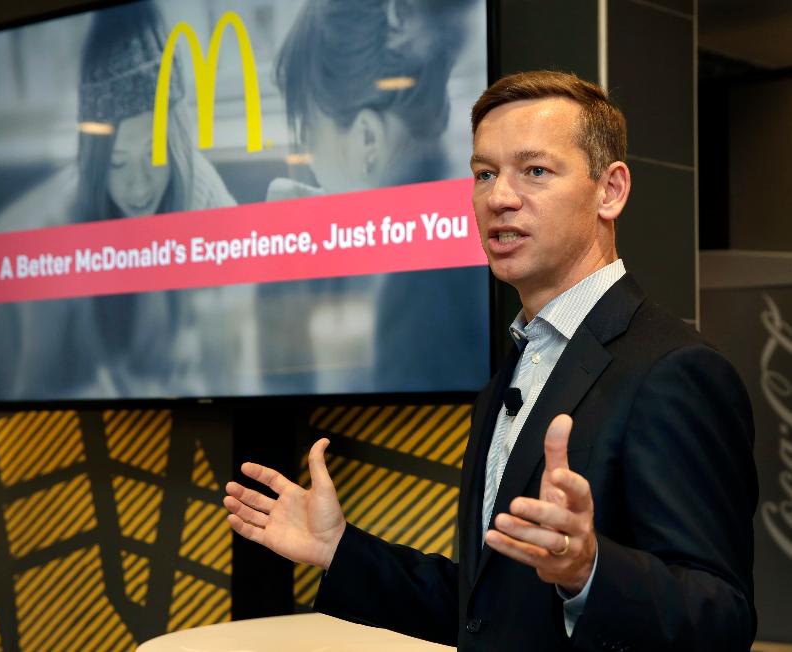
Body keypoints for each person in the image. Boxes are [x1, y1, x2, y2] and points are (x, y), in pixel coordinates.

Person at [224, 70, 758, 651]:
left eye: (535, 171)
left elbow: (722, 619)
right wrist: (338, 549)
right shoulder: (513, 371)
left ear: (611, 191)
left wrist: (590, 572)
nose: (500, 197)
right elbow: (486, 611)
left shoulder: (674, 369)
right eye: (484, 173)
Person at [0, 2, 245, 400]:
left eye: (154, 157)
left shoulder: (210, 206)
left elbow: (240, 366)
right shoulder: (53, 241)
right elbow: (29, 392)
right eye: (118, 163)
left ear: (175, 149)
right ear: (93, 165)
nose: (138, 187)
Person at [257, 0, 488, 394]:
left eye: (310, 138)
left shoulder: (420, 295)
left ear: (366, 139)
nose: (310, 166)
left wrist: (280, 279)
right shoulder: (457, 225)